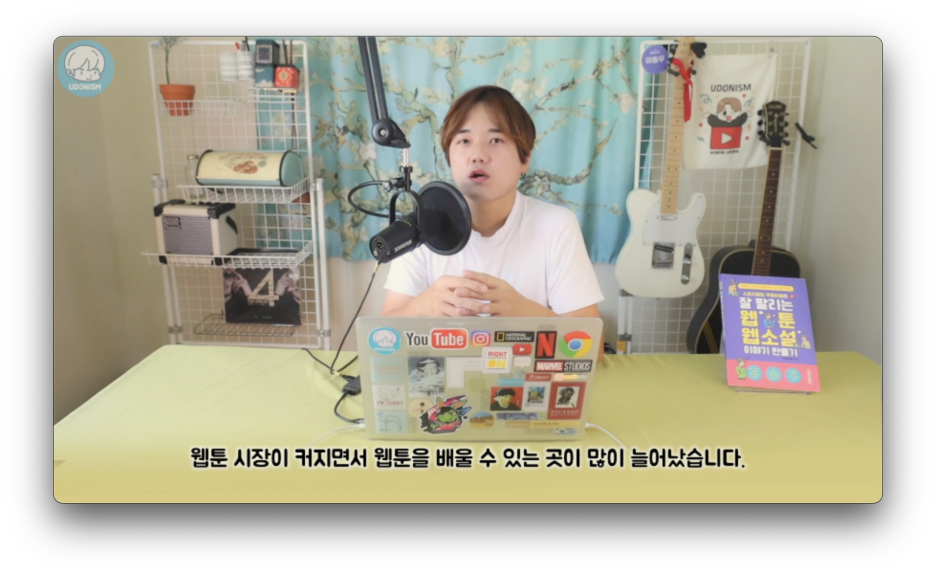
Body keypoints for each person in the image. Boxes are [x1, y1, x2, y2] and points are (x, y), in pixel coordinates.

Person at [381, 85, 605, 359]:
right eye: (464, 141)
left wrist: (526, 312)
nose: (478, 154)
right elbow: (382, 339)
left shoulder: (557, 226)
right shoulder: (420, 227)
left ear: (525, 159)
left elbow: (592, 347)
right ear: (449, 158)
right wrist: (422, 307)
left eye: (496, 140)